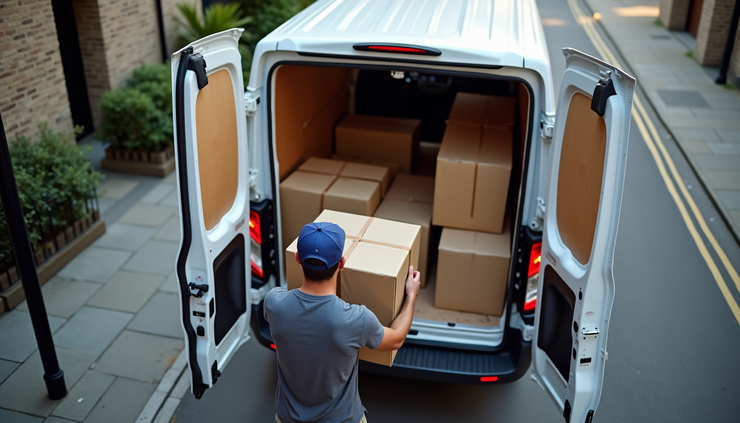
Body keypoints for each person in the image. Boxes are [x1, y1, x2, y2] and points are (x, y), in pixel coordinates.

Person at [264, 221, 421, 423]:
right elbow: (397, 338)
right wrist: (411, 295)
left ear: (297, 258)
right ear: (342, 263)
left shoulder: (274, 303)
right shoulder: (355, 320)